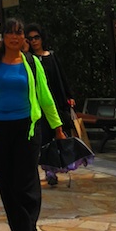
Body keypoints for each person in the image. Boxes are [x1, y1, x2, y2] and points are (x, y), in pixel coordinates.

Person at [0, 18, 64, 231]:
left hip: (28, 128)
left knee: (27, 183)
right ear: (3, 37)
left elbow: (45, 96)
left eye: (19, 33)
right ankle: (18, 229)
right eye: (10, 33)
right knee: (6, 182)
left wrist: (57, 126)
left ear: (23, 37)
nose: (15, 37)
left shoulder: (32, 63)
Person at [25, 23, 75, 186]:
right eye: (30, 38)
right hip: (38, 105)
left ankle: (61, 164)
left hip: (56, 102)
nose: (34, 41)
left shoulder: (51, 56)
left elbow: (61, 77)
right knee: (44, 138)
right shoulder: (28, 60)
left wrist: (69, 96)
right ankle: (49, 170)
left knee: (58, 135)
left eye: (36, 37)